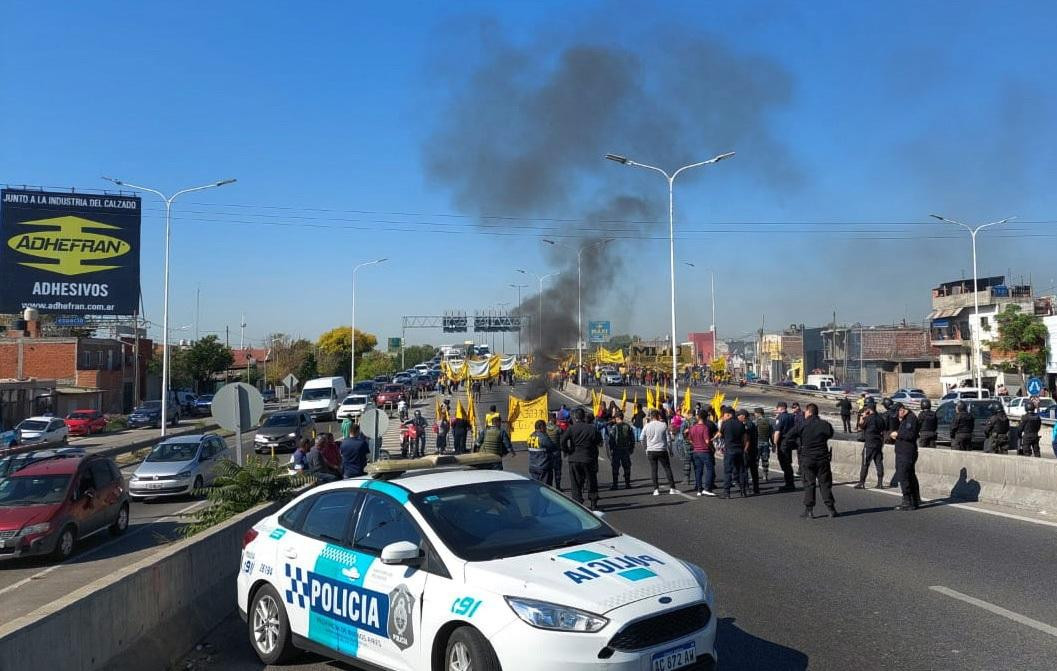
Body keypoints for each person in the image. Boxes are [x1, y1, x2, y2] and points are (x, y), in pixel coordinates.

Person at [785, 403, 837, 518]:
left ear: (809, 412)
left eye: (806, 412)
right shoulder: (825, 424)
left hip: (807, 458)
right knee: (825, 484)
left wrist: (796, 445)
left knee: (809, 484)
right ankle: (831, 509)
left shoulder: (802, 425)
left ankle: (809, 510)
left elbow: (788, 437)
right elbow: (830, 434)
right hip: (823, 458)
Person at [561, 408, 602, 508]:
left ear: (575, 417)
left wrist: (567, 451)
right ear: (584, 417)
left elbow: (562, 441)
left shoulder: (571, 428)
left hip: (574, 458)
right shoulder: (591, 428)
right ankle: (593, 502)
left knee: (575, 482)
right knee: (591, 480)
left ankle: (578, 503)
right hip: (588, 458)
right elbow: (599, 441)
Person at [891, 403, 921, 511]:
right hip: (903, 452)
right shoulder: (905, 419)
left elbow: (911, 435)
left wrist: (897, 435)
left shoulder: (911, 419)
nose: (898, 417)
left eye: (898, 414)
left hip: (906, 452)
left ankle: (908, 500)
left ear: (902, 410)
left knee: (904, 476)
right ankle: (915, 500)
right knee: (909, 475)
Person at [641, 409, 677, 495]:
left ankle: (656, 489)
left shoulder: (647, 426)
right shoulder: (663, 425)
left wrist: (646, 447)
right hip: (662, 449)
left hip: (651, 450)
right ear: (658, 416)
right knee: (667, 468)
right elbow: (668, 439)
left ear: (651, 417)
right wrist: (670, 450)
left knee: (654, 470)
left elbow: (641, 438)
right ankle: (672, 488)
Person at [719, 406, 749, 499]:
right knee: (741, 471)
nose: (723, 417)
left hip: (729, 450)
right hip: (739, 450)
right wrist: (744, 448)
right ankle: (743, 491)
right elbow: (745, 438)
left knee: (728, 471)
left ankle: (727, 493)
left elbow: (721, 435)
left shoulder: (725, 424)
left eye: (724, 415)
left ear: (729, 414)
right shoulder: (741, 424)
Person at [855, 403, 886, 489]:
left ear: (868, 410)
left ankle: (862, 482)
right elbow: (883, 429)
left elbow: (861, 426)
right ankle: (880, 483)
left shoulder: (868, 418)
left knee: (865, 463)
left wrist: (862, 417)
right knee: (879, 463)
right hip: (878, 443)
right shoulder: (881, 418)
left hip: (869, 444)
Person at [687, 411, 715, 496]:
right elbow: (707, 441)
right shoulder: (705, 428)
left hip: (696, 451)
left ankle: (699, 489)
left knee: (698, 470)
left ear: (698, 417)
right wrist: (712, 445)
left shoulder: (693, 427)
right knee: (710, 469)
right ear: (706, 418)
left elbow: (690, 439)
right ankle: (707, 488)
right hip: (705, 451)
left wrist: (696, 444)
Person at [606, 411, 635, 490]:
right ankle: (627, 484)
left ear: (617, 418)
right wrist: (631, 448)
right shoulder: (628, 426)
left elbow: (611, 440)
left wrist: (611, 449)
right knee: (627, 466)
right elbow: (632, 438)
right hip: (625, 450)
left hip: (616, 450)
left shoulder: (614, 427)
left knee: (615, 467)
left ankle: (615, 485)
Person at [773, 402, 797, 491]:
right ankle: (790, 482)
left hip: (783, 442)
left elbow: (777, 432)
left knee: (784, 463)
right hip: (790, 441)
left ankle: (789, 484)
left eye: (778, 408)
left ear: (781, 408)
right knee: (788, 462)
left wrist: (774, 443)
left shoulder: (781, 417)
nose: (777, 410)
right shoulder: (792, 416)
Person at [527, 419, 558, 484]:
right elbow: (552, 447)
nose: (546, 429)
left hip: (533, 467)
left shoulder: (530, 436)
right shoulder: (543, 437)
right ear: (541, 427)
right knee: (545, 487)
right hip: (543, 466)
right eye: (545, 427)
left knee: (536, 486)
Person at [738, 409, 761, 494]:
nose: (738, 417)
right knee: (754, 470)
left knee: (745, 469)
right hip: (754, 449)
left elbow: (747, 438)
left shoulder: (747, 425)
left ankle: (747, 487)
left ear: (743, 416)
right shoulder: (752, 424)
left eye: (739, 416)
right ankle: (756, 488)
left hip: (749, 450)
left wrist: (745, 449)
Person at [545, 413, 565, 489]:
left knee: (549, 470)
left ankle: (549, 487)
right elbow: (562, 432)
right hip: (556, 452)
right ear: (553, 418)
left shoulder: (545, 428)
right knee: (557, 470)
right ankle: (558, 487)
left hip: (547, 452)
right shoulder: (557, 428)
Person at [754, 407, 773, 483]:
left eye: (755, 413)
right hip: (766, 443)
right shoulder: (768, 422)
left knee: (756, 460)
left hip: (757, 443)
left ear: (758, 413)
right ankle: (765, 475)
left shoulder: (755, 422)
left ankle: (755, 476)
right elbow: (772, 434)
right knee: (765, 460)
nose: (754, 414)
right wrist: (773, 443)